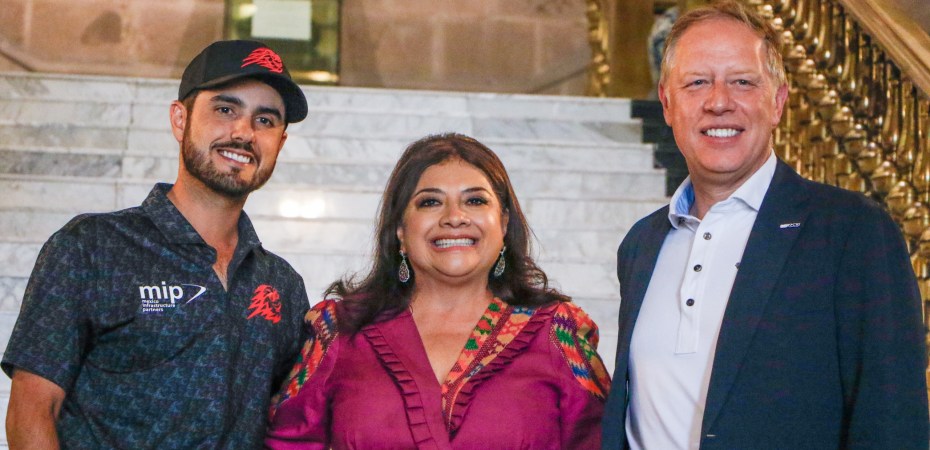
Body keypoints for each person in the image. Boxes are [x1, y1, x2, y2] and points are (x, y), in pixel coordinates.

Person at [601, 1, 929, 449]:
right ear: (667, 103)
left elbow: (894, 423)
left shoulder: (852, 232)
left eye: (743, 82)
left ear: (777, 102)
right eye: (697, 82)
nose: (719, 102)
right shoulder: (642, 244)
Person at [3, 40, 312, 448]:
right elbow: (31, 412)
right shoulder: (91, 247)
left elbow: (291, 421)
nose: (243, 133)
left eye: (265, 120)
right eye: (225, 109)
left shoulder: (282, 285)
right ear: (180, 120)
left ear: (280, 143)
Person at [265, 133, 611, 449]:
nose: (454, 217)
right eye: (430, 202)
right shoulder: (339, 330)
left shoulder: (557, 333)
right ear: (400, 230)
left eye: (475, 201)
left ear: (504, 224)